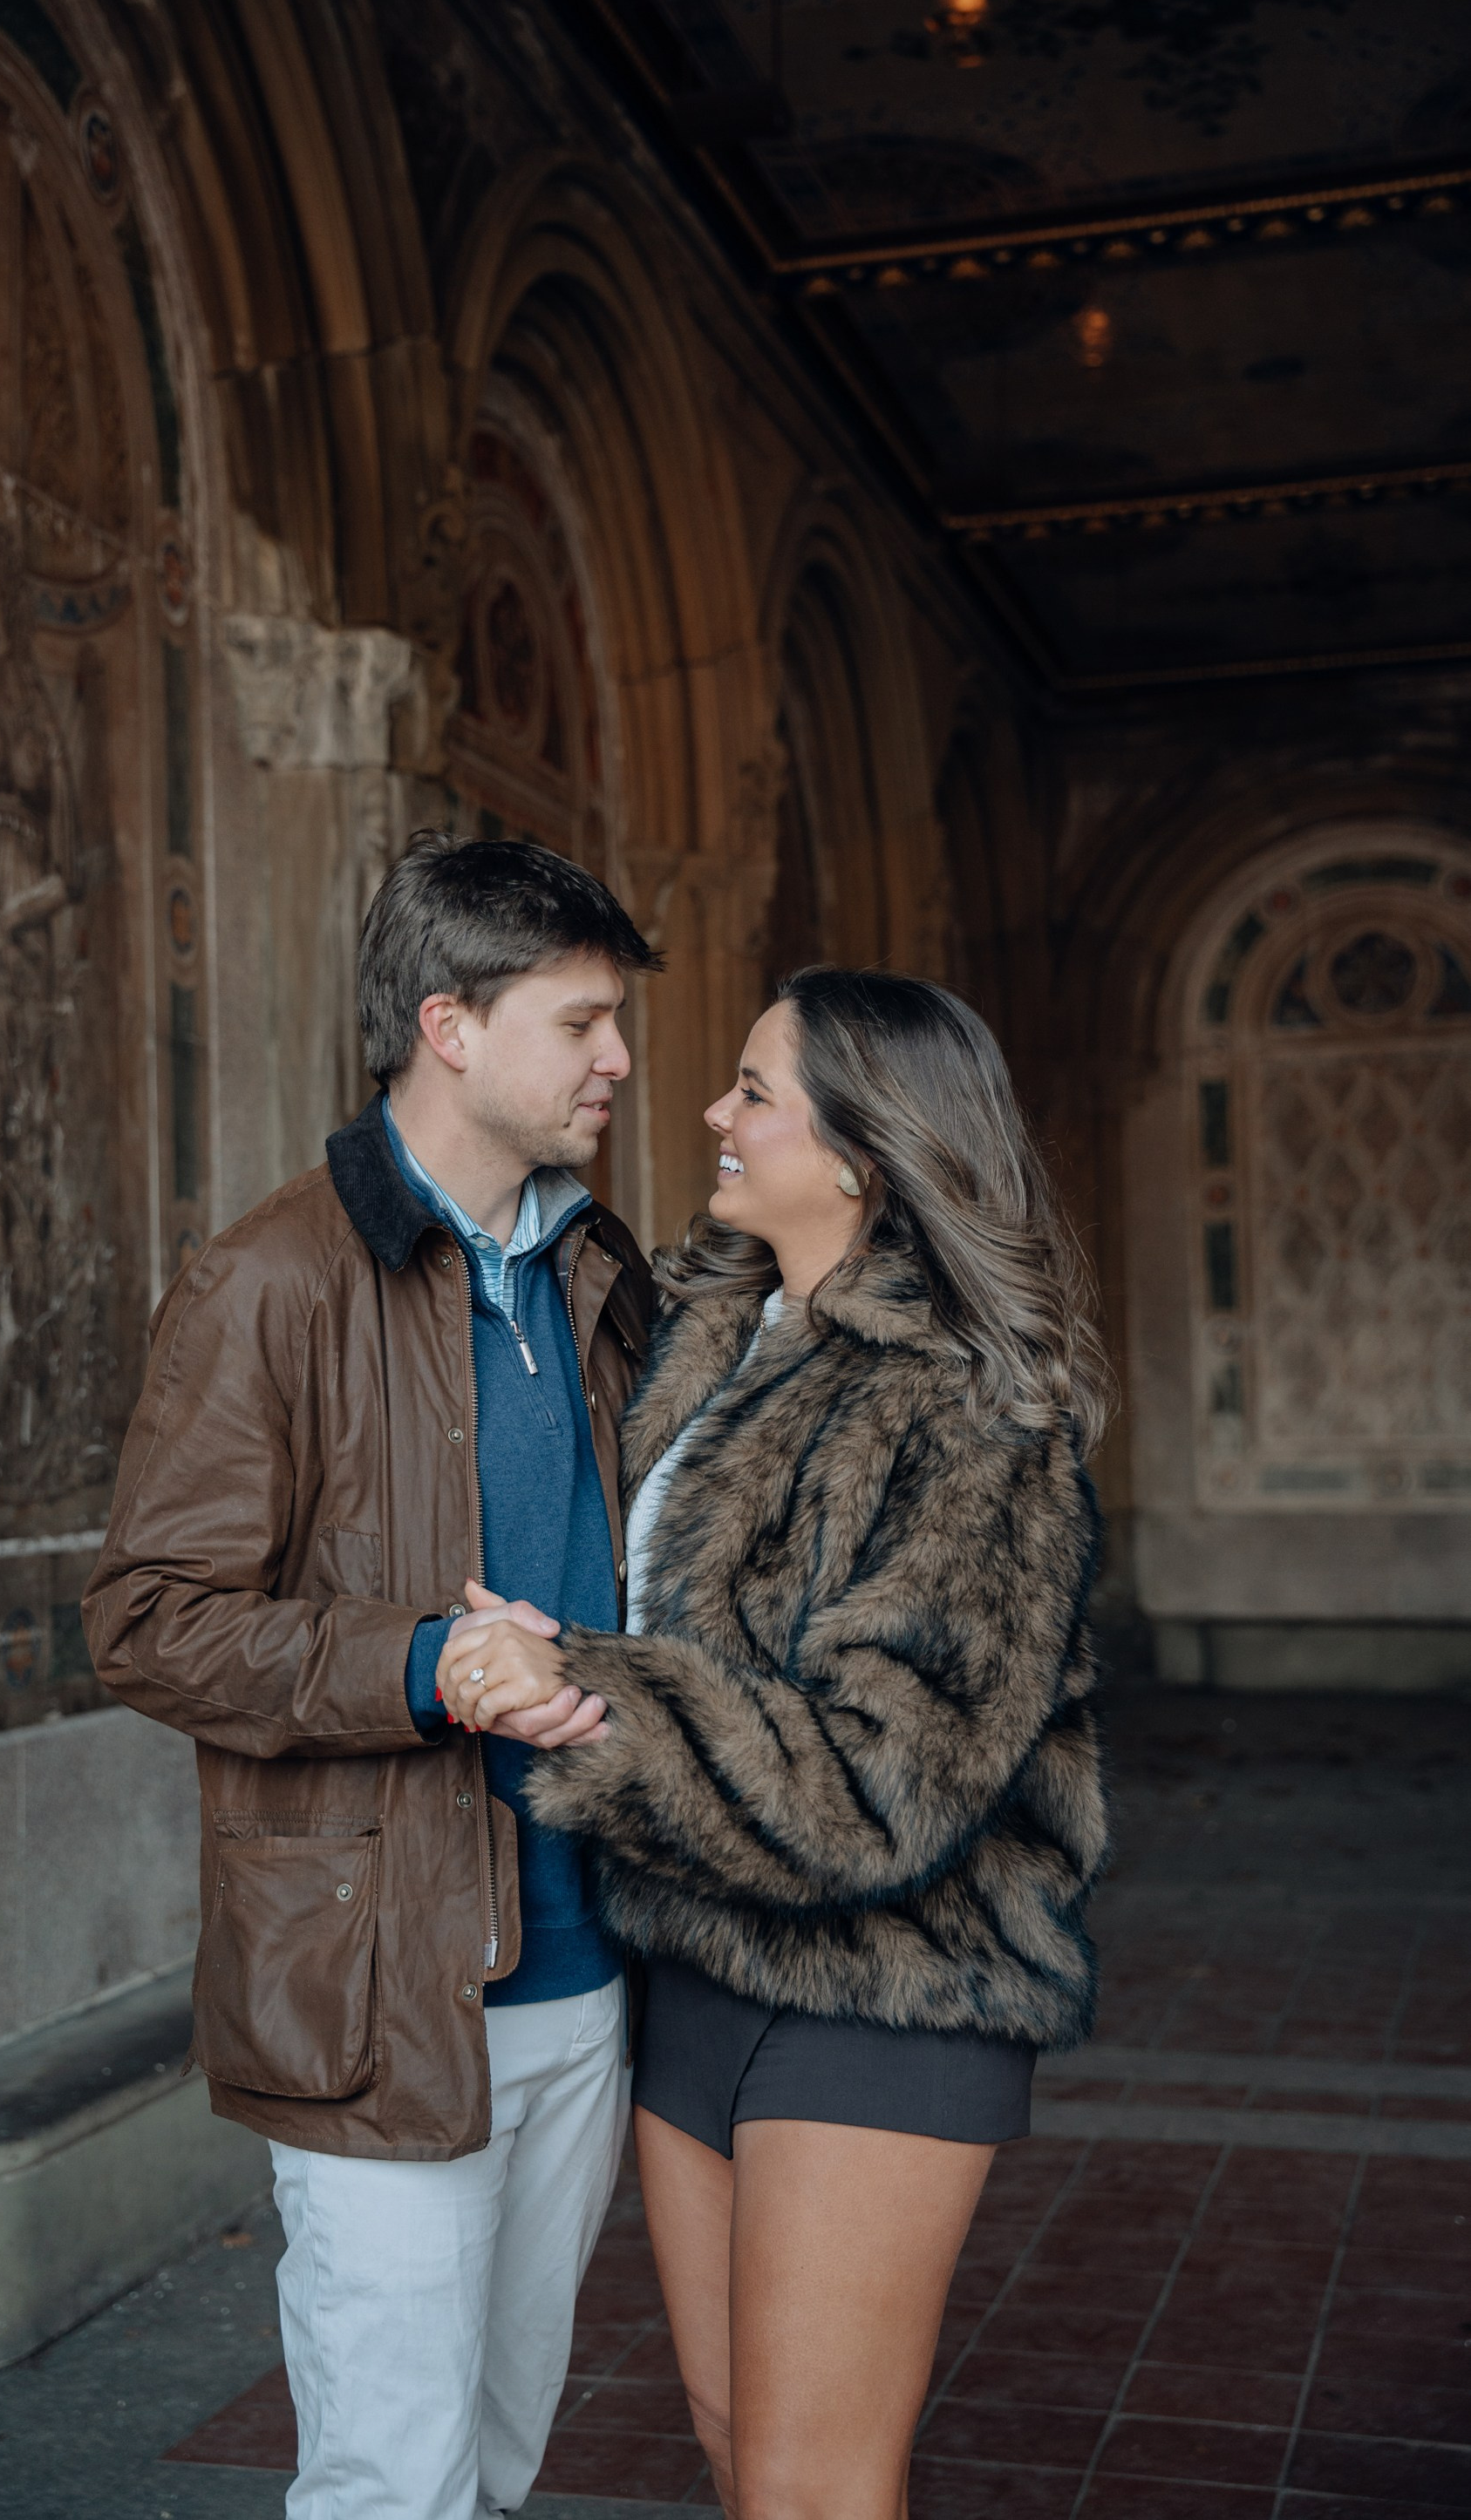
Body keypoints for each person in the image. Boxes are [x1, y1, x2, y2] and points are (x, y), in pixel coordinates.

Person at [436, 967, 1114, 2520]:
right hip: (694, 1957)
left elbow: (888, 1782)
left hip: (891, 1984)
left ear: (866, 1153)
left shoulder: (968, 1411)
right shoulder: (709, 1340)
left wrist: (585, 1683)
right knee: (739, 2448)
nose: (710, 1112)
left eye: (754, 1090)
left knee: (815, 2485)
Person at [82, 832, 662, 2520]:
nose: (619, 1059)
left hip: (587, 1960)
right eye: (580, 1022)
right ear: (448, 1026)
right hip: (377, 1984)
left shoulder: (599, 1271)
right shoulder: (268, 1279)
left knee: (500, 2453)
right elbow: (147, 1618)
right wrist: (424, 1663)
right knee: (392, 2482)